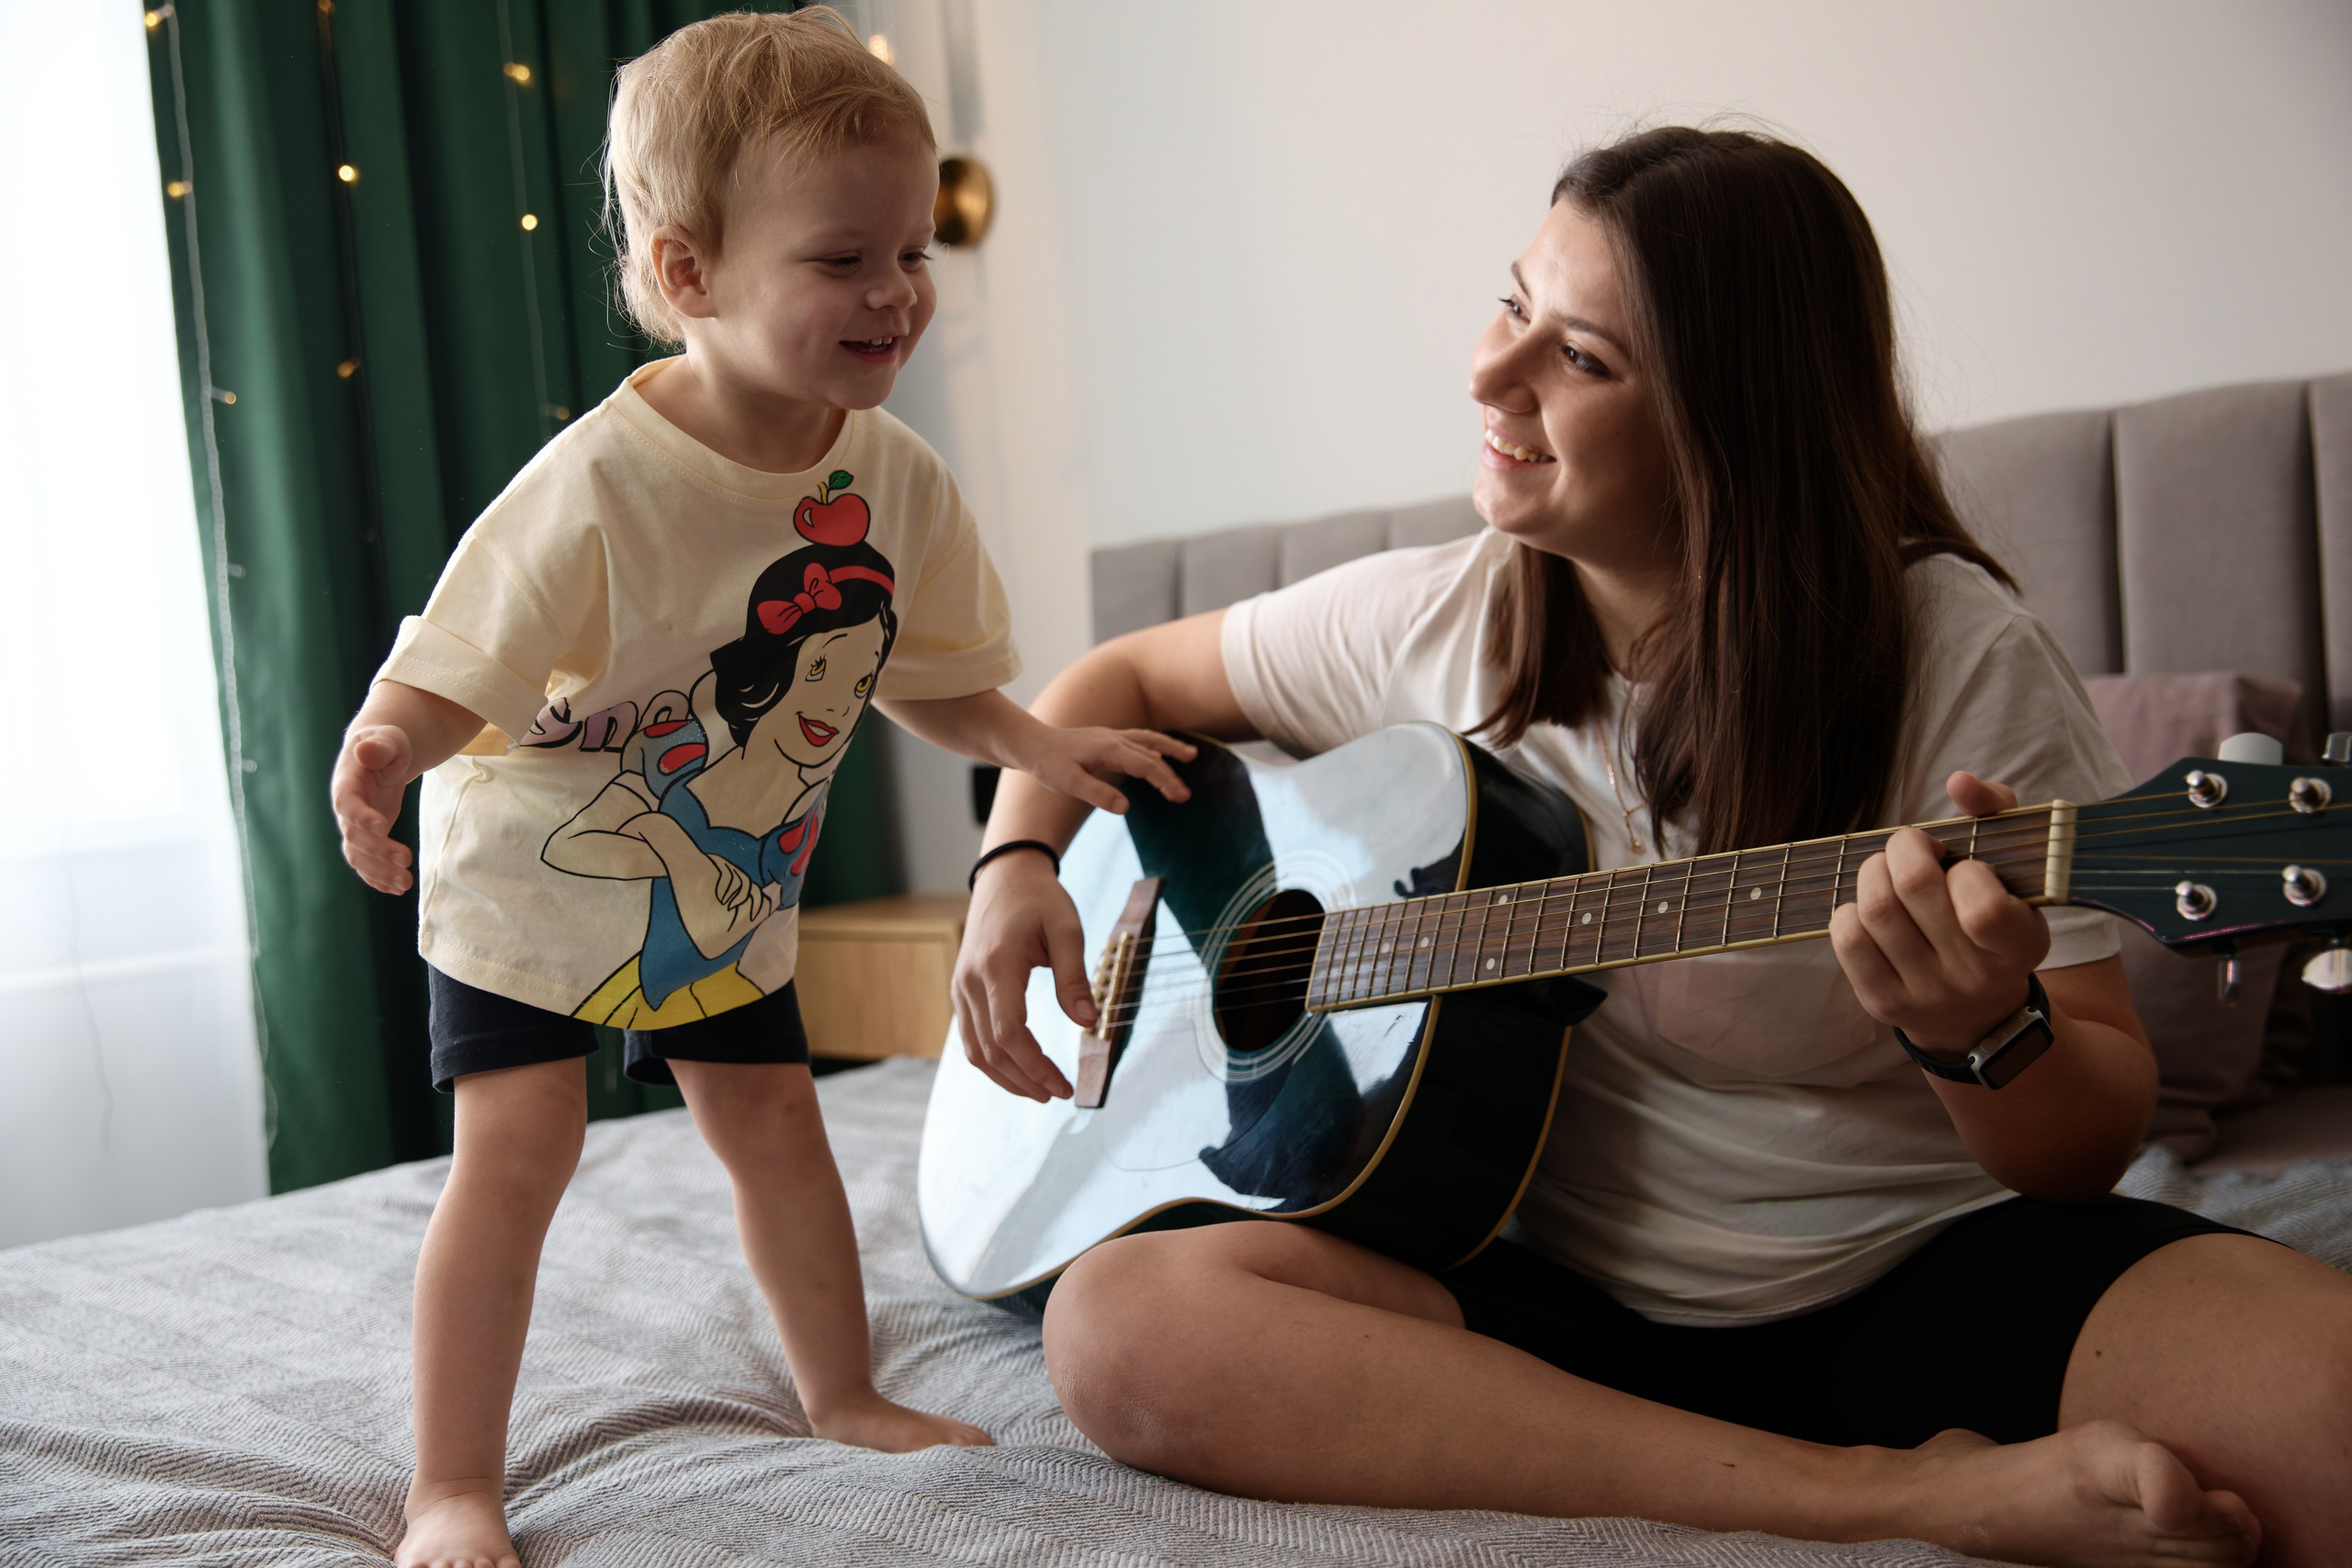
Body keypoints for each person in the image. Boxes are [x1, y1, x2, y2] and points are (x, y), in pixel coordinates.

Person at [950, 128, 2351, 1566]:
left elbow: (2089, 1145)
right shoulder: (1440, 619)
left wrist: (1981, 1034)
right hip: (1516, 1286)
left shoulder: (1957, 659)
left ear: (1734, 424)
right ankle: (1891, 1496)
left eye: (1584, 359)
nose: (1493, 377)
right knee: (1117, 1330)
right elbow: (1105, 689)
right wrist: (1017, 870)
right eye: (1513, 304)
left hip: (1907, 1267)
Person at [326, 13, 1190, 1568]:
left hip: (731, 874)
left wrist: (1035, 745)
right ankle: (451, 1483)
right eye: (843, 259)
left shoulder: (893, 478)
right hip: (540, 865)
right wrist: (391, 743)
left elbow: (926, 676)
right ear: (687, 277)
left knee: (779, 1126)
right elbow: (464, 642)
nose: (896, 293)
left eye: (914, 251)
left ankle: (840, 1390)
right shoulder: (598, 483)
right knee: (517, 1157)